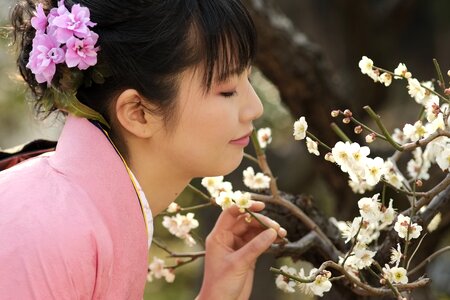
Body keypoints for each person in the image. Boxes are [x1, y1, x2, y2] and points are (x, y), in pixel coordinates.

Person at [0, 0, 287, 299]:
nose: (255, 108)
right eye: (227, 90)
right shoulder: (43, 231)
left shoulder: (73, 216)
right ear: (138, 112)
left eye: (249, 78)